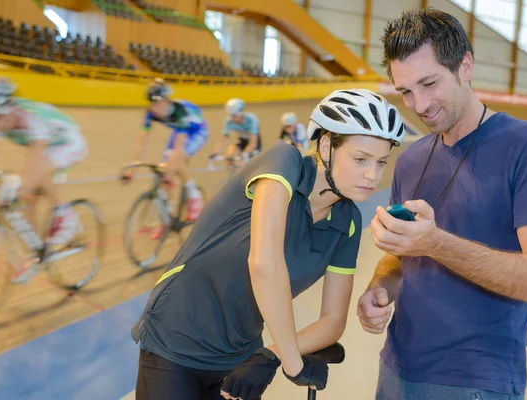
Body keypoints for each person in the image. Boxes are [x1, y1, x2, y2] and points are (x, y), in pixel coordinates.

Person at [356, 8, 527, 400]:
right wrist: (381, 287)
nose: (419, 105)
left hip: (476, 381)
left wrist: (436, 243)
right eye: (406, 91)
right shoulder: (409, 159)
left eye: (429, 83)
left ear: (465, 66)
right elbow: (402, 257)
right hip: (395, 369)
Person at [130, 88, 406, 400]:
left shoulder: (348, 222)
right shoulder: (283, 164)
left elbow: (332, 321)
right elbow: (264, 264)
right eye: (360, 159)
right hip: (176, 340)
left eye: (381, 162)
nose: (372, 174)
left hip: (239, 354)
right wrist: (294, 363)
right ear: (327, 147)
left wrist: (270, 355)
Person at [0, 77, 87, 246]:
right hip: (47, 147)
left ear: (9, 109)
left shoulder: (33, 119)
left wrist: (26, 187)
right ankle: (38, 248)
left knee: (37, 178)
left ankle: (66, 215)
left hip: (69, 143)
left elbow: (37, 155)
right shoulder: (0, 119)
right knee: (28, 199)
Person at [124, 78, 207, 222]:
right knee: (165, 173)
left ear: (167, 100)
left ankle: (194, 196)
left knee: (176, 161)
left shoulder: (180, 112)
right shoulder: (150, 114)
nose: (154, 108)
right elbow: (142, 142)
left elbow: (179, 148)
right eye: (152, 103)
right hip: (178, 131)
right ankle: (166, 221)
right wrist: (133, 169)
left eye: (157, 103)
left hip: (196, 131)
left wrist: (170, 172)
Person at [210, 98, 261, 166]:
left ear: (241, 113)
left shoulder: (251, 119)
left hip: (253, 141)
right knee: (229, 155)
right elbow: (222, 139)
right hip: (242, 139)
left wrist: (245, 154)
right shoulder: (229, 121)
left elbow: (253, 142)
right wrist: (214, 153)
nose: (233, 119)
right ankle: (231, 175)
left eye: (235, 116)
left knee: (244, 162)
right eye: (231, 116)